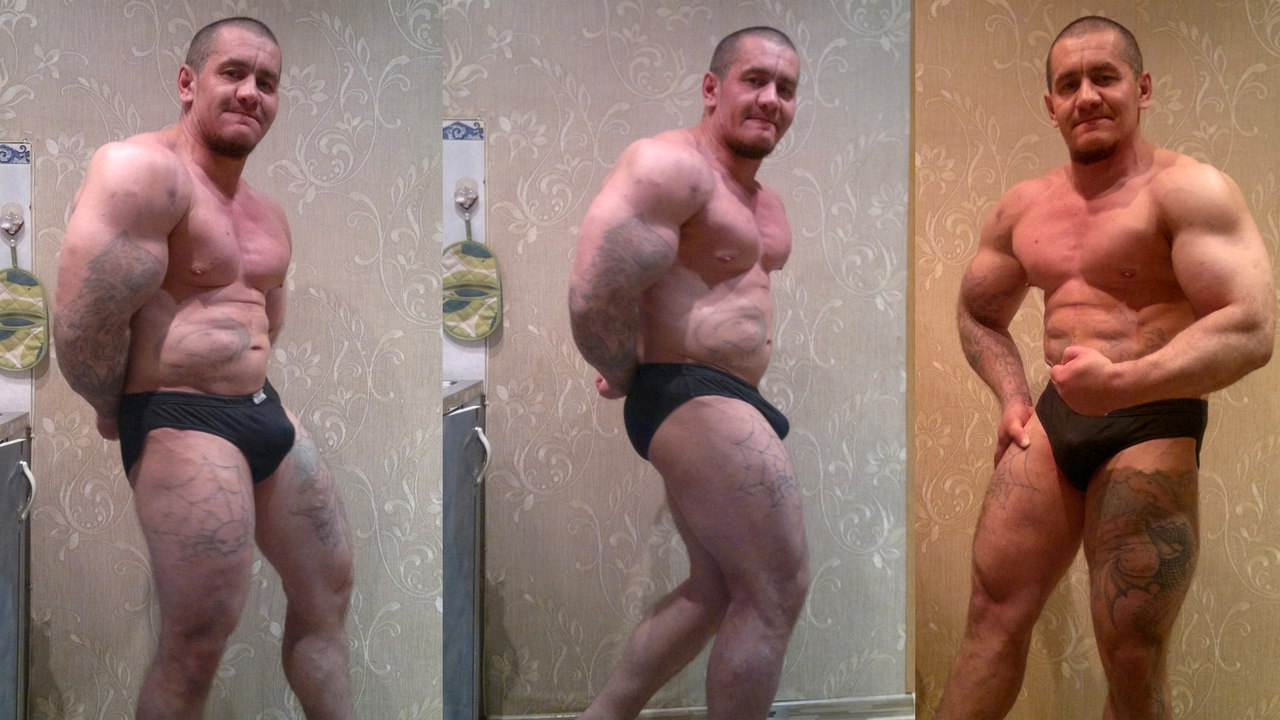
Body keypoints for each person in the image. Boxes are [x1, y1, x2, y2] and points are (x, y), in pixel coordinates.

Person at [937, 15, 1273, 720]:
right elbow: (977, 313)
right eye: (1069, 84)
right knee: (991, 614)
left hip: (1152, 418)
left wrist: (1123, 381)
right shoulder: (1023, 208)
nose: (1086, 96)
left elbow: (1250, 327)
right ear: (1050, 104)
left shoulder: (1191, 190)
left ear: (1141, 88)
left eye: (1104, 77)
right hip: (1057, 417)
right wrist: (1011, 395)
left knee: (1131, 655)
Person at [53, 17, 354, 719]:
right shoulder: (143, 173)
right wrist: (113, 407)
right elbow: (80, 323)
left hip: (263, 412)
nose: (252, 93)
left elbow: (266, 320)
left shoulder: (267, 214)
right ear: (188, 83)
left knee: (328, 595)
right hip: (180, 416)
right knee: (198, 639)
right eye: (234, 73)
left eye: (268, 83)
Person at [568, 25, 808, 720]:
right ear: (712, 88)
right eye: (754, 80)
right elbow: (594, 289)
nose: (771, 99)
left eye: (786, 88)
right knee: (777, 589)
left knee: (715, 591)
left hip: (724, 396)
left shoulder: (764, 202)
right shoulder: (670, 167)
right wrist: (623, 369)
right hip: (689, 391)